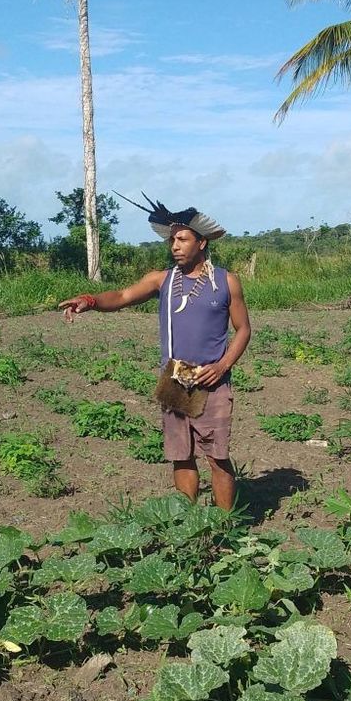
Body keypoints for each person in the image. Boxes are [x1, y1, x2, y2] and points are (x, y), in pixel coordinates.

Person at [59, 196, 251, 509]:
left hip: (211, 379)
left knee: (217, 457)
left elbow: (243, 329)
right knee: (181, 456)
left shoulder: (226, 282)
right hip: (176, 376)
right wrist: (90, 300)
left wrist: (222, 365)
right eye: (172, 239)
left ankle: (225, 527)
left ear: (201, 243)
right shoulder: (161, 280)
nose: (174, 245)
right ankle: (187, 524)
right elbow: (121, 296)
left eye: (182, 239)